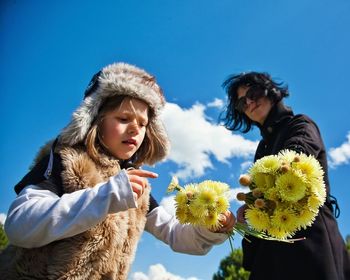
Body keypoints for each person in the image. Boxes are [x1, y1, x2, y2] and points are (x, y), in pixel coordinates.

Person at [0, 62, 236, 280]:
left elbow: (174, 234)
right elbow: (20, 225)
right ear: (95, 119)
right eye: (124, 118)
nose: (135, 129)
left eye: (143, 124)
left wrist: (209, 229)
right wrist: (107, 195)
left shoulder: (136, 185)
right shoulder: (66, 159)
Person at [220, 71, 350, 280]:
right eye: (242, 102)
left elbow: (297, 157)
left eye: (253, 93)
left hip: (310, 241)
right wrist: (252, 208)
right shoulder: (262, 147)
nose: (250, 102)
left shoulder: (300, 124)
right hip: (274, 245)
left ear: (270, 90)